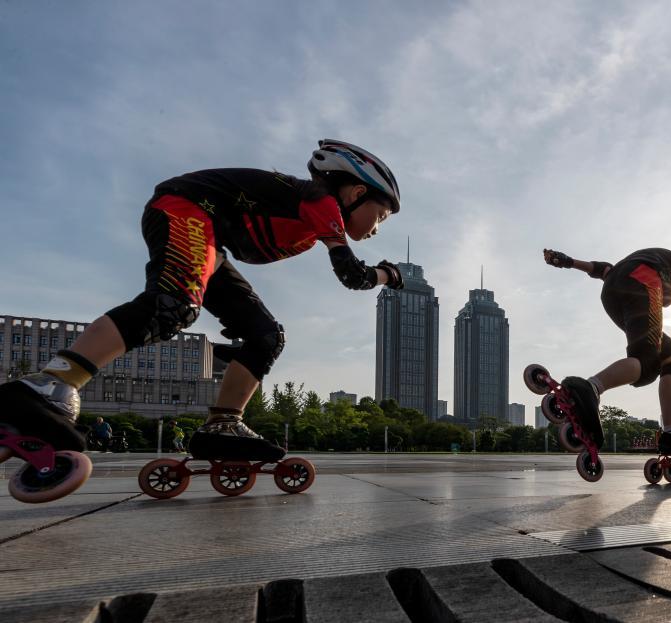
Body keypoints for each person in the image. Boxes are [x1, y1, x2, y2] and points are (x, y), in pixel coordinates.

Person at [0, 140, 404, 470]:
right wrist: (388, 274)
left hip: (211, 240)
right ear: (357, 193)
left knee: (266, 335)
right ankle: (49, 384)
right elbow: (353, 275)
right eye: (381, 216)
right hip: (185, 208)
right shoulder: (322, 203)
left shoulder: (313, 216)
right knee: (172, 305)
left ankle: (223, 425)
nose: (377, 228)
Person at [542, 239, 671, 457]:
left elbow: (604, 269)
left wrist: (568, 262)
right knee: (647, 363)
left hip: (613, 291)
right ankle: (590, 387)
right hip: (642, 281)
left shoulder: (664, 259)